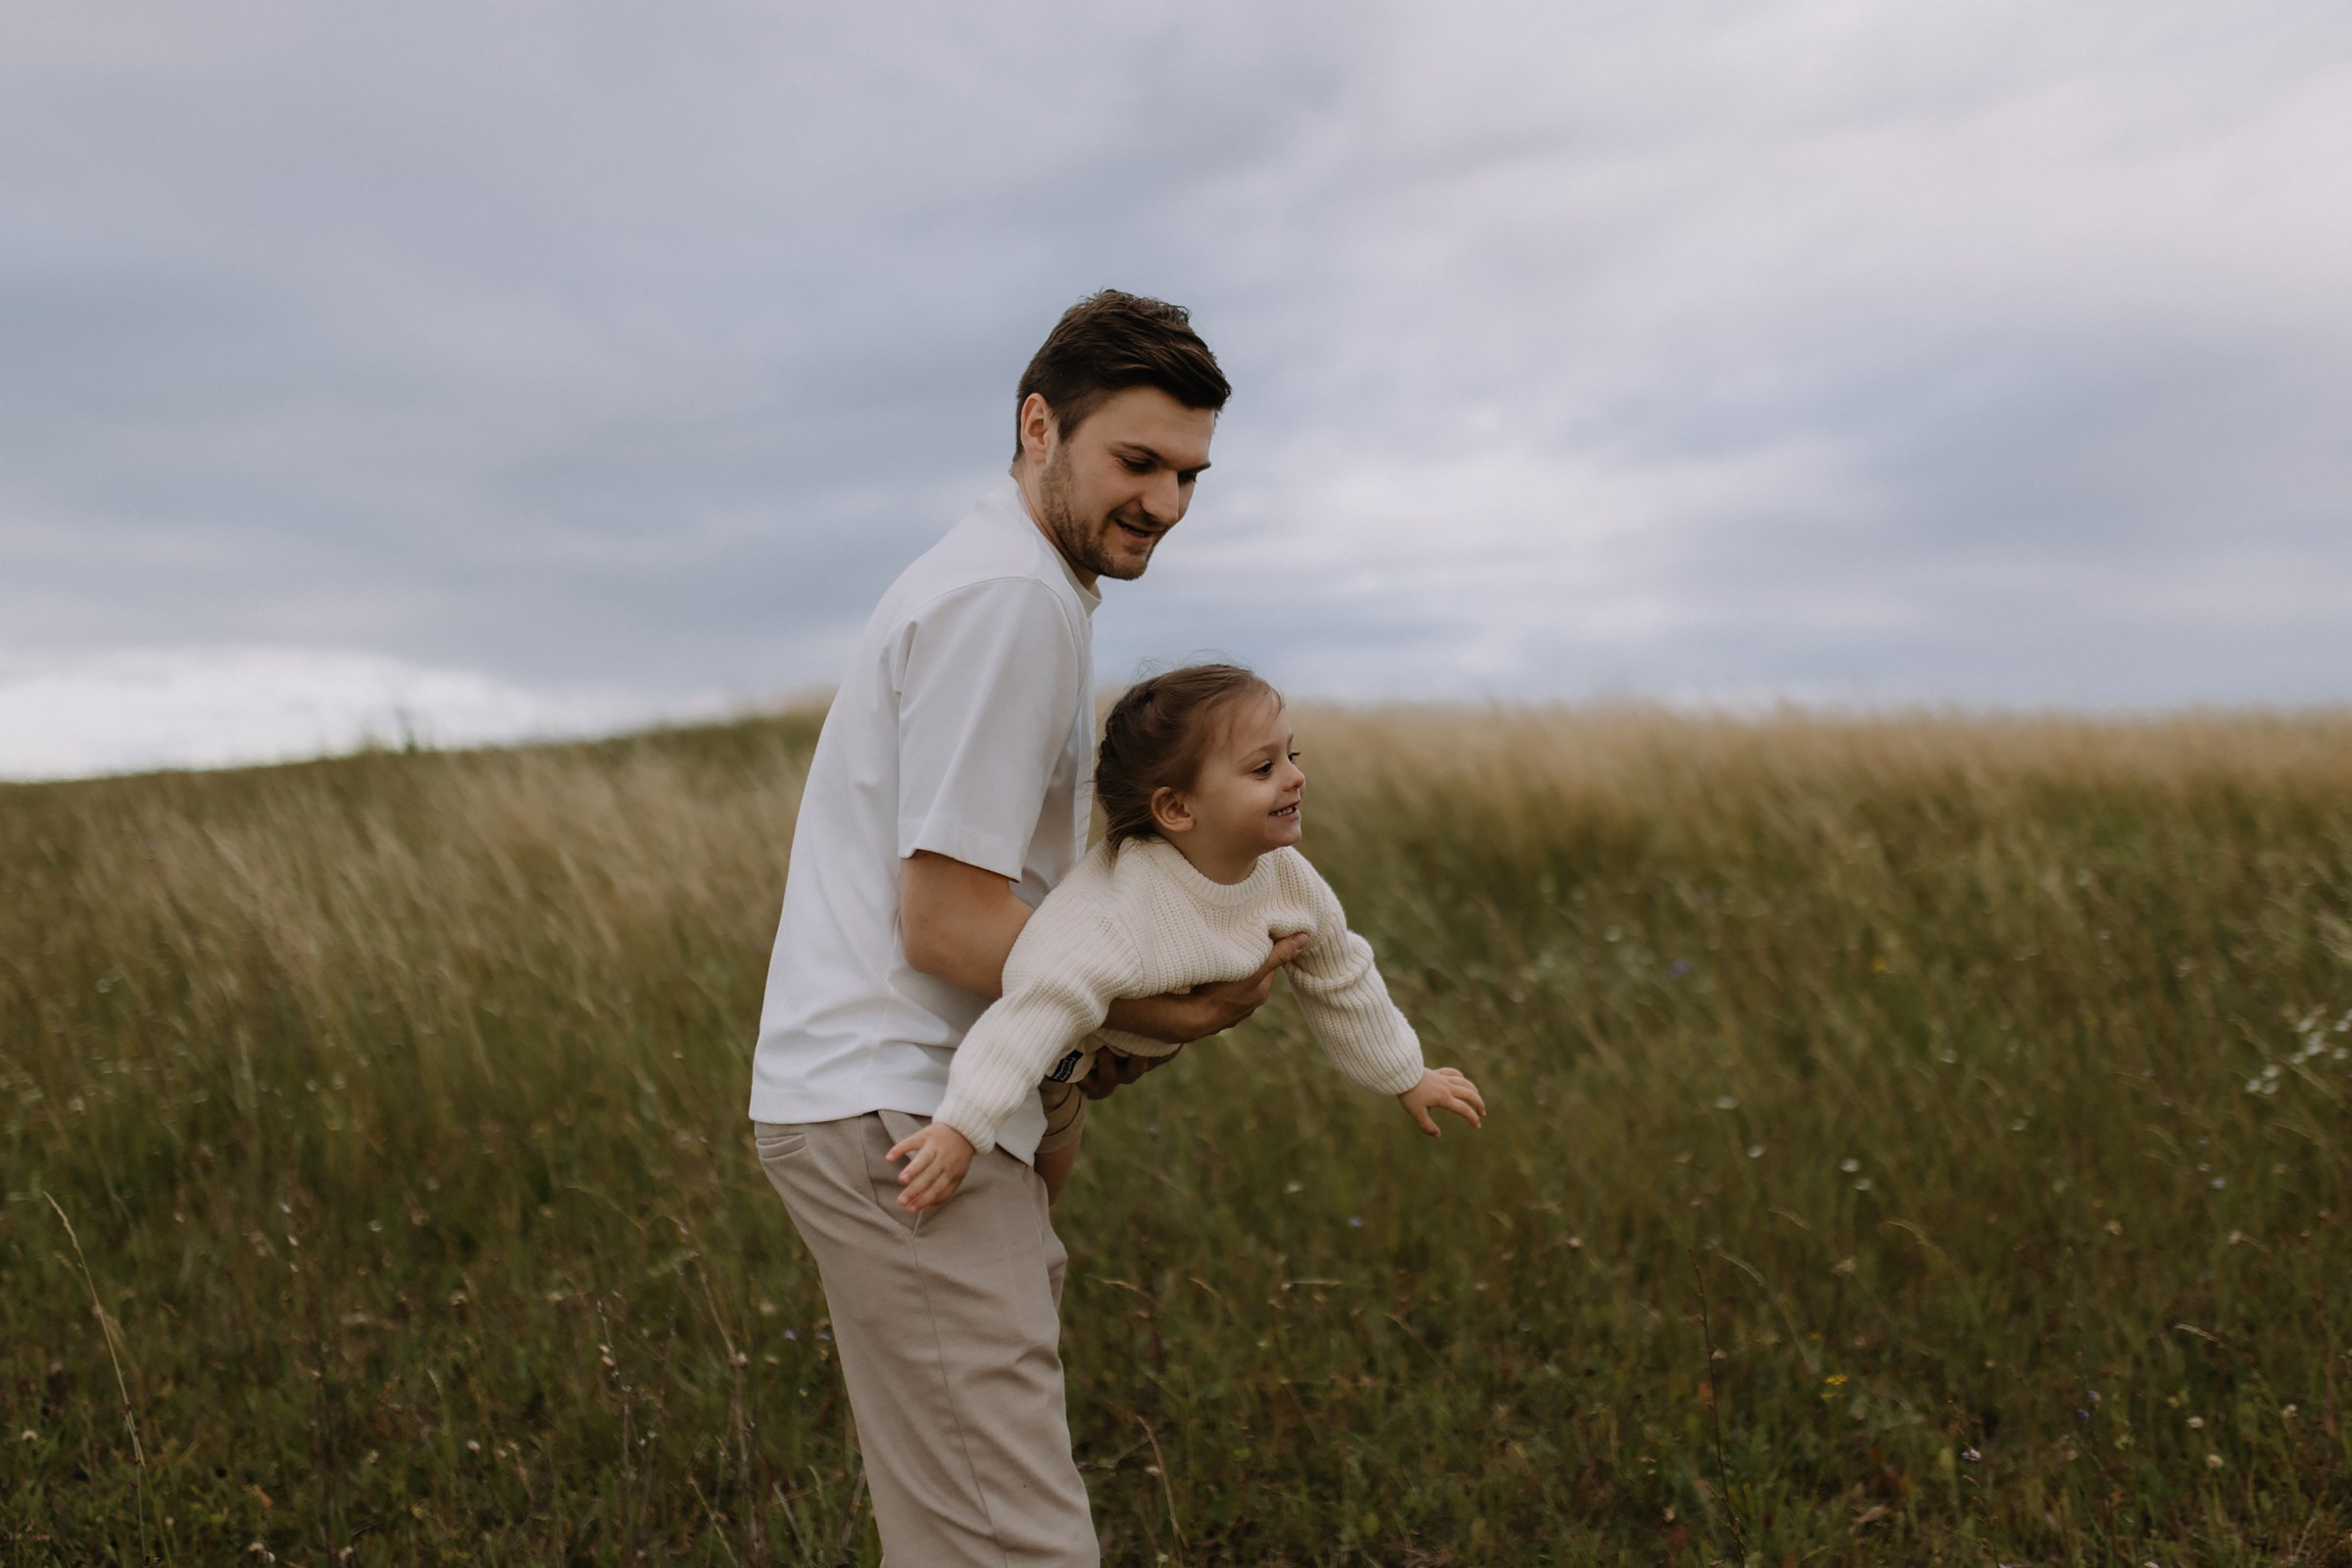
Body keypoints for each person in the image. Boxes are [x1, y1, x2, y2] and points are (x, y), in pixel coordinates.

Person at [748, 292, 1302, 1566]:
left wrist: (1060, 1075)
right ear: (1038, 425)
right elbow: (946, 925)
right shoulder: (1009, 600)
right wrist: (1166, 1011)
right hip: (896, 1107)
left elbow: (1004, 902)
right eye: (1137, 462)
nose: (1165, 503)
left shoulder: (1018, 587)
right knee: (1017, 1551)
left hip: (926, 1100)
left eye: (1188, 475)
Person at [887, 664, 1487, 1212]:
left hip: (1083, 1077)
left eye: (1291, 755)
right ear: (1176, 809)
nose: (1297, 777)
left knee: (1037, 1235)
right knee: (1011, 1226)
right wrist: (963, 1126)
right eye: (1264, 768)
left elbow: (1339, 973)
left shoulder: (1287, 878)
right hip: (1039, 1076)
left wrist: (1406, 1075)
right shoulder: (1115, 911)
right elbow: (1037, 1005)